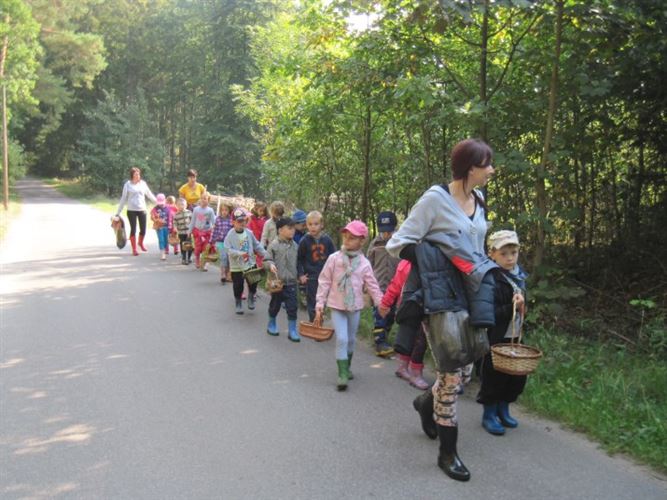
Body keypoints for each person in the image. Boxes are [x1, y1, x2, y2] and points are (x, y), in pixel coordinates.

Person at [386, 138, 496, 482]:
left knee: (465, 371)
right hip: (439, 297)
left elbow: (475, 246)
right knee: (450, 376)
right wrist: (435, 261)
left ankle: (425, 403)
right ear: (470, 168)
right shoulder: (435, 199)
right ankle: (448, 454)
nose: (492, 170)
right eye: (487, 165)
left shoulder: (479, 199)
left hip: (471, 292)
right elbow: (397, 244)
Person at [315, 221, 383, 392]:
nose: (347, 240)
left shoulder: (364, 263)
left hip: (354, 307)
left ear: (362, 241)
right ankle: (342, 374)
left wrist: (381, 303)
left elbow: (372, 285)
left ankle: (347, 367)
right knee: (342, 339)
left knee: (351, 339)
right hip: (336, 306)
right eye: (345, 236)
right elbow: (324, 281)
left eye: (352, 238)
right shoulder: (334, 259)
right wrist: (320, 303)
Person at [477, 230, 527, 436]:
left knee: (514, 376)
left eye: (513, 253)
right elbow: (488, 313)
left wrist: (522, 307)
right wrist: (511, 306)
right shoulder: (490, 278)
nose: (510, 258)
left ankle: (503, 408)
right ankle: (489, 413)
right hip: (496, 336)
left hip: (515, 335)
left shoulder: (520, 276)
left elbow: (523, 310)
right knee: (493, 375)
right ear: (492, 254)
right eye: (504, 253)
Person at [379, 259, 429, 390]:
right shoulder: (406, 264)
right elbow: (395, 285)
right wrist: (385, 303)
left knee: (420, 339)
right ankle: (411, 371)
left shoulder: (429, 261)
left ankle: (407, 368)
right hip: (408, 307)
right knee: (410, 338)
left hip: (426, 306)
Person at [224, 208, 270, 314]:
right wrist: (239, 253)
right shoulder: (230, 235)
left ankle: (251, 296)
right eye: (239, 221)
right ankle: (238, 302)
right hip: (237, 266)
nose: (242, 223)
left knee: (254, 281)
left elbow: (257, 245)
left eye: (244, 220)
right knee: (238, 285)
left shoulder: (249, 233)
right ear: (233, 222)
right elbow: (227, 249)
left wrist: (266, 255)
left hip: (250, 263)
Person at [367, 211, 400, 357]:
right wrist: (365, 284)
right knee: (380, 314)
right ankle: (380, 343)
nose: (386, 235)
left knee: (391, 315)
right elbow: (368, 264)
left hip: (395, 286)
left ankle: (383, 336)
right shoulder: (375, 244)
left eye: (389, 231)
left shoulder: (400, 243)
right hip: (378, 286)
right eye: (383, 231)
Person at [264, 217, 300, 342]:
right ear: (280, 230)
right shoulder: (273, 245)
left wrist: (300, 274)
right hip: (277, 283)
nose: (292, 231)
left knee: (292, 307)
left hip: (291, 282)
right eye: (289, 228)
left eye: (293, 228)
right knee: (275, 305)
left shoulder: (295, 246)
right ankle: (271, 323)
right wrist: (270, 264)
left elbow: (299, 262)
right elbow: (266, 259)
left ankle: (292, 330)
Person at [297, 211, 337, 322]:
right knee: (312, 300)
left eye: (316, 224)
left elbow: (334, 258)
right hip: (311, 276)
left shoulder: (327, 240)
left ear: (321, 225)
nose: (313, 227)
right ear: (306, 225)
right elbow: (299, 259)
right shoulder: (304, 241)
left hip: (326, 276)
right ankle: (314, 322)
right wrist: (301, 274)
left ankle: (320, 318)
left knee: (323, 300)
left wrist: (335, 273)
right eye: (310, 224)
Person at [115, 167, 157, 256]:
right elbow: (123, 198)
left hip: (142, 209)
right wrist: (118, 212)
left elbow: (149, 194)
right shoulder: (127, 185)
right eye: (136, 174)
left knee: (143, 230)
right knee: (133, 229)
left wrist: (159, 202)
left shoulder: (143, 184)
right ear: (132, 176)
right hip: (131, 210)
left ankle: (140, 243)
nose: (138, 176)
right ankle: (134, 249)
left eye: (139, 174)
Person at [188, 193, 216, 270]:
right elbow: (193, 221)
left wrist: (215, 231)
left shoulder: (210, 210)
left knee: (206, 248)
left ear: (208, 201)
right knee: (197, 248)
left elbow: (214, 222)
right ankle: (197, 259)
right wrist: (189, 231)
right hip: (198, 232)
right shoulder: (196, 209)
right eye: (202, 198)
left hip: (207, 232)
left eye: (205, 199)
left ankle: (205, 263)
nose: (203, 200)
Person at [211, 201, 234, 284]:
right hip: (220, 242)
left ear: (229, 211)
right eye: (222, 210)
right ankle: (223, 274)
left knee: (229, 259)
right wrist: (211, 241)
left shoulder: (231, 220)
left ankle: (228, 274)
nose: (224, 212)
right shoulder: (218, 219)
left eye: (226, 210)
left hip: (230, 243)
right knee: (223, 257)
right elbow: (215, 231)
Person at [150, 193, 172, 261]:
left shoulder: (168, 208)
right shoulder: (155, 208)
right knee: (161, 239)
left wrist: (170, 225)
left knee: (165, 239)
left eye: (162, 203)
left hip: (166, 226)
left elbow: (170, 217)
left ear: (165, 201)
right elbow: (152, 215)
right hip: (159, 226)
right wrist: (154, 218)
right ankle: (162, 252)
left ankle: (165, 249)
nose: (160, 205)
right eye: (159, 203)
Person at [248, 201, 269, 268]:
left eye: (263, 211)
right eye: (260, 211)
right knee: (256, 255)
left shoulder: (266, 220)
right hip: (255, 239)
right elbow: (249, 229)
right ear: (256, 210)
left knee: (262, 255)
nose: (262, 213)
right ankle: (258, 267)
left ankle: (262, 267)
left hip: (264, 241)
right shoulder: (252, 219)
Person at [173, 198, 193, 265]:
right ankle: (184, 258)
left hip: (189, 232)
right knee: (183, 245)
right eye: (179, 205)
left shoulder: (189, 212)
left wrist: (192, 229)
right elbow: (174, 223)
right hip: (181, 233)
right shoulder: (176, 214)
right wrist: (175, 228)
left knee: (190, 245)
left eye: (183, 204)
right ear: (176, 206)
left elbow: (192, 221)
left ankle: (189, 257)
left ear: (186, 205)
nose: (181, 206)